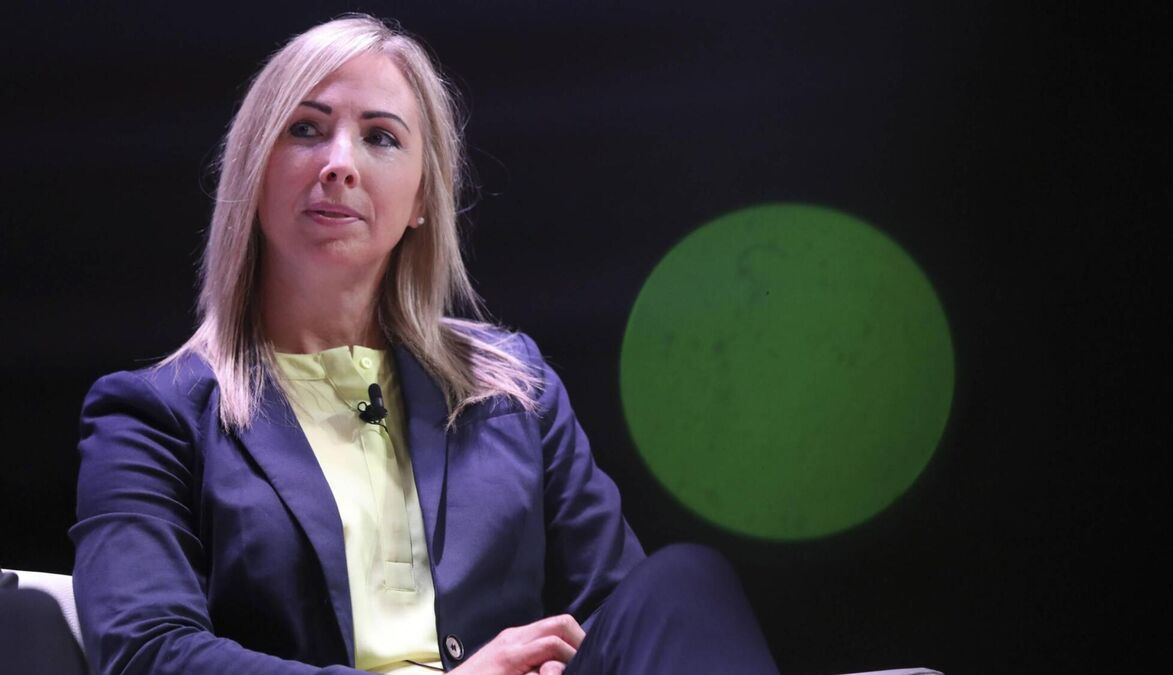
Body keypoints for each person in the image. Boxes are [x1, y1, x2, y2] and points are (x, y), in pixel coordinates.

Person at [71, 14, 779, 675]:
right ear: (254, 170)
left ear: (419, 199)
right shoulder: (152, 418)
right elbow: (145, 650)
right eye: (306, 129)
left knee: (686, 581)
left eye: (381, 137)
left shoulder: (512, 388)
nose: (340, 163)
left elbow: (616, 610)